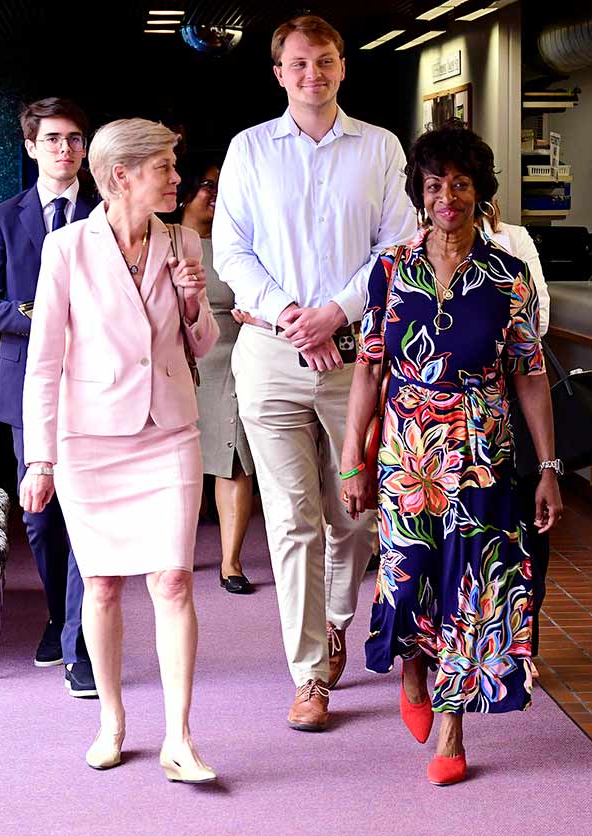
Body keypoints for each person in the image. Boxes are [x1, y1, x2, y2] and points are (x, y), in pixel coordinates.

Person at [340, 123, 563, 786]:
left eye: (461, 184)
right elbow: (369, 370)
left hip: (483, 457)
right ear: (420, 193)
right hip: (409, 456)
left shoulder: (509, 277)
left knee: (472, 588)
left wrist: (548, 468)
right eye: (436, 185)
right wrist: (353, 457)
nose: (448, 197)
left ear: (479, 193)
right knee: (407, 576)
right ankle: (412, 666)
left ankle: (451, 728)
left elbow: (529, 372)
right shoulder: (391, 272)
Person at [213, 14, 415, 731]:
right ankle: (309, 677)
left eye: (323, 61)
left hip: (354, 357)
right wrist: (293, 313)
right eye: (298, 64)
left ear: (341, 67)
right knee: (294, 519)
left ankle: (336, 619)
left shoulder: (380, 149)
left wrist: (334, 313)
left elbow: (397, 248)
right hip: (270, 353)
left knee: (355, 513)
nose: (312, 74)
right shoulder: (249, 150)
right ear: (278, 73)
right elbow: (231, 252)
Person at [20, 118, 220, 783]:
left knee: (173, 579)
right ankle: (111, 721)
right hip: (90, 437)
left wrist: (194, 306)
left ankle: (180, 737)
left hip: (168, 431)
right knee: (102, 584)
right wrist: (40, 457)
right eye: (164, 166)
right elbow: (44, 361)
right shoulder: (66, 249)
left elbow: (202, 345)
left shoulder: (184, 240)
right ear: (123, 175)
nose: (175, 177)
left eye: (173, 163)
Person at [0, 97, 98, 698]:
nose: (64, 150)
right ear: (30, 147)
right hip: (26, 388)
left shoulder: (107, 214)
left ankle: (79, 643)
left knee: (85, 514)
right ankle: (56, 614)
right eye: (52, 140)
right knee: (41, 520)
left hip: (96, 383)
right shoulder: (2, 217)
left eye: (74, 139)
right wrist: (37, 314)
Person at [173, 153, 256, 595]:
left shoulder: (236, 242)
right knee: (180, 463)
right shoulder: (163, 241)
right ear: (186, 189)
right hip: (179, 359)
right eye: (208, 185)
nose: (216, 195)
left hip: (231, 357)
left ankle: (231, 561)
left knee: (234, 458)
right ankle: (175, 553)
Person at [477, 202, 554, 655]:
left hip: (516, 402)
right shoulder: (413, 246)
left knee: (524, 531)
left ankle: (522, 644)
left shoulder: (515, 240)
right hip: (446, 418)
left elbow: (540, 315)